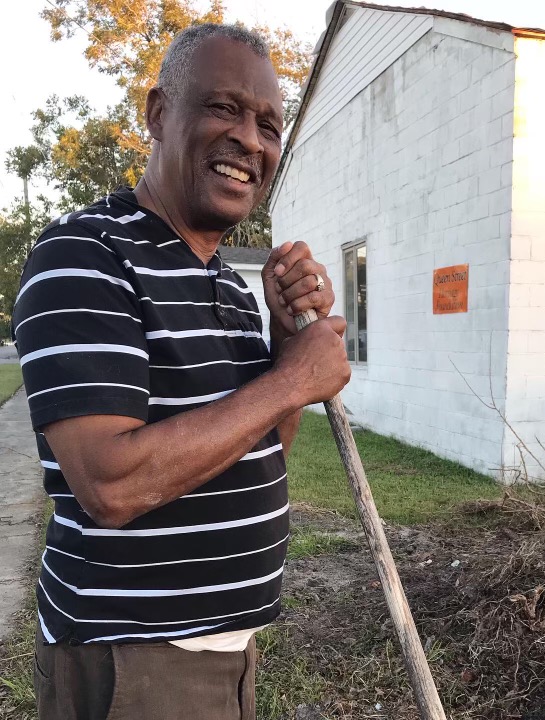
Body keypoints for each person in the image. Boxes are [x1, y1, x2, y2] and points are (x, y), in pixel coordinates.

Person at [12, 23, 351, 720]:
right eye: (224, 108)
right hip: (133, 663)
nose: (250, 141)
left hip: (227, 658)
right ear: (159, 113)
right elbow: (110, 484)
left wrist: (287, 345)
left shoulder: (226, 283)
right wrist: (293, 382)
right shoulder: (85, 256)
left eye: (268, 124)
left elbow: (261, 450)